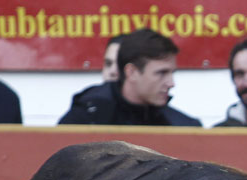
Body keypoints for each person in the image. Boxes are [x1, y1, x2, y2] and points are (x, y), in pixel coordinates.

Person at [58, 27, 201, 125]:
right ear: (131, 72)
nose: (171, 83)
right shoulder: (86, 119)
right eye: (161, 73)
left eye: (171, 73)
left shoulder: (182, 125)